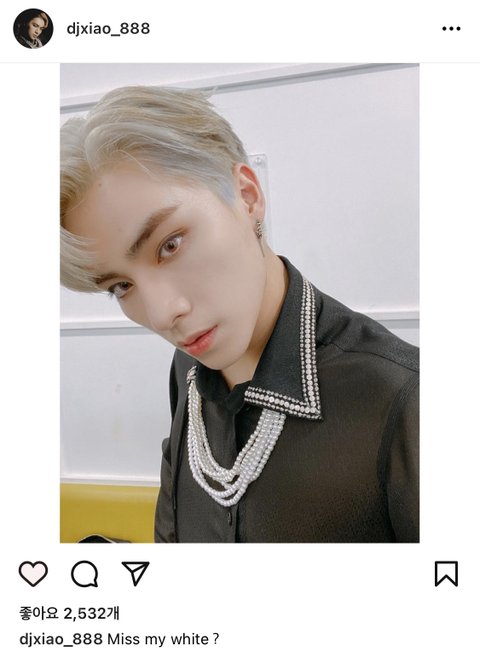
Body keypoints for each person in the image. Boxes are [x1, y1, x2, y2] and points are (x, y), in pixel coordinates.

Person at [61, 85, 419, 543]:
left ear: (247, 197)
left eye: (170, 245)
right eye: (121, 286)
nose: (163, 314)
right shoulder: (189, 371)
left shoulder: (405, 402)